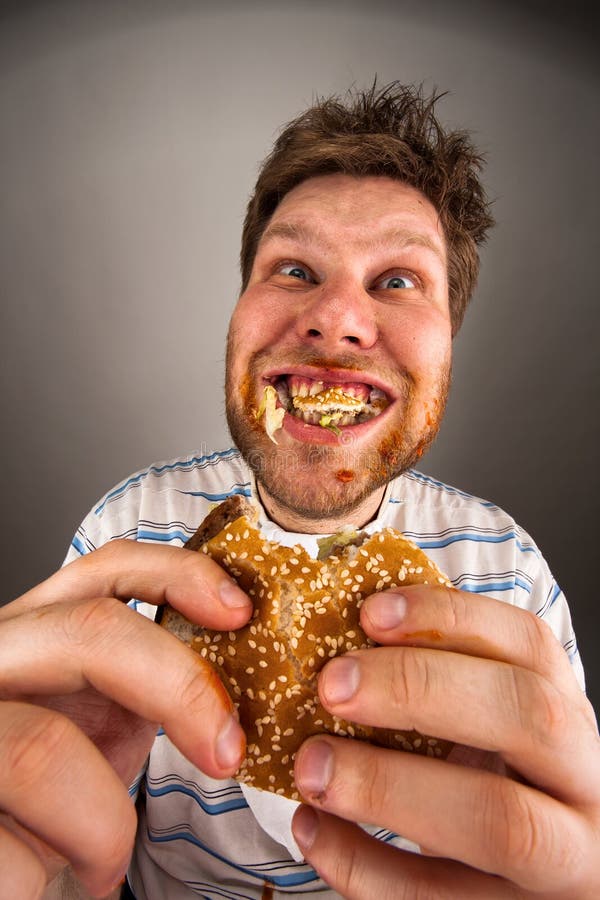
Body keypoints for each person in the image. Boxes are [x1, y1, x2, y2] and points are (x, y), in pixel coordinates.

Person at [1, 82, 599, 900]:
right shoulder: (127, 531)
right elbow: (72, 840)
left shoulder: (511, 575)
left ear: (451, 339)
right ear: (239, 307)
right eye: (293, 268)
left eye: (397, 281)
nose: (337, 318)